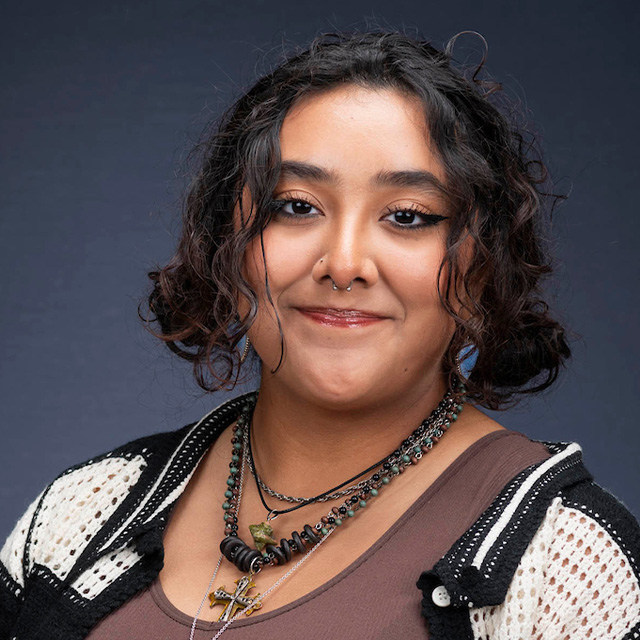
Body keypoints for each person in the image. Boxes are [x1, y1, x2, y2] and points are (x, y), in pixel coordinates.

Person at [1, 30, 638, 640]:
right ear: (227, 243)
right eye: (296, 206)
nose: (344, 263)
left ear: (483, 263)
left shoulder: (567, 566)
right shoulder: (79, 516)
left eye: (408, 216)